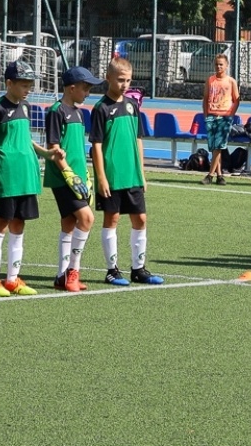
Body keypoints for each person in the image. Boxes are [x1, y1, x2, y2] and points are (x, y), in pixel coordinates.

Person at [0, 60, 63, 297]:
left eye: (29, 84)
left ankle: (13, 279)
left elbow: (25, 139)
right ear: (9, 83)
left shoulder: (25, 108)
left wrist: (46, 153)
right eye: (23, 84)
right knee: (1, 225)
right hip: (6, 178)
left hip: (26, 177)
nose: (28, 89)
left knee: (19, 225)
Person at [91, 57, 164, 286]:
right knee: (111, 219)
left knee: (140, 218)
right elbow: (96, 145)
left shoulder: (132, 106)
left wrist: (141, 172)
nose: (124, 84)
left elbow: (138, 139)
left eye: (128, 80)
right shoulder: (101, 108)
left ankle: (138, 268)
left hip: (132, 174)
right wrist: (101, 176)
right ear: (109, 78)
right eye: (120, 80)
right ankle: (112, 269)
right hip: (112, 175)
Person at [46, 66, 99, 292]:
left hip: (77, 177)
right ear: (72, 87)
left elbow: (77, 148)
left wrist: (84, 174)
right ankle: (72, 273)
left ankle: (61, 275)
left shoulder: (78, 112)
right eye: (85, 88)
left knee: (69, 223)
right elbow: (54, 147)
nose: (88, 92)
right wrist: (68, 173)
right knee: (87, 219)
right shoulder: (56, 111)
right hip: (63, 178)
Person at [201, 53, 239, 185]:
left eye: (221, 64)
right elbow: (205, 99)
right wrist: (206, 115)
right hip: (211, 116)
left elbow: (236, 99)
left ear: (227, 65)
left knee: (218, 146)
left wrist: (230, 115)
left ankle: (210, 175)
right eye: (217, 64)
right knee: (214, 147)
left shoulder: (231, 81)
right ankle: (220, 175)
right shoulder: (210, 80)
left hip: (224, 117)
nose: (219, 67)